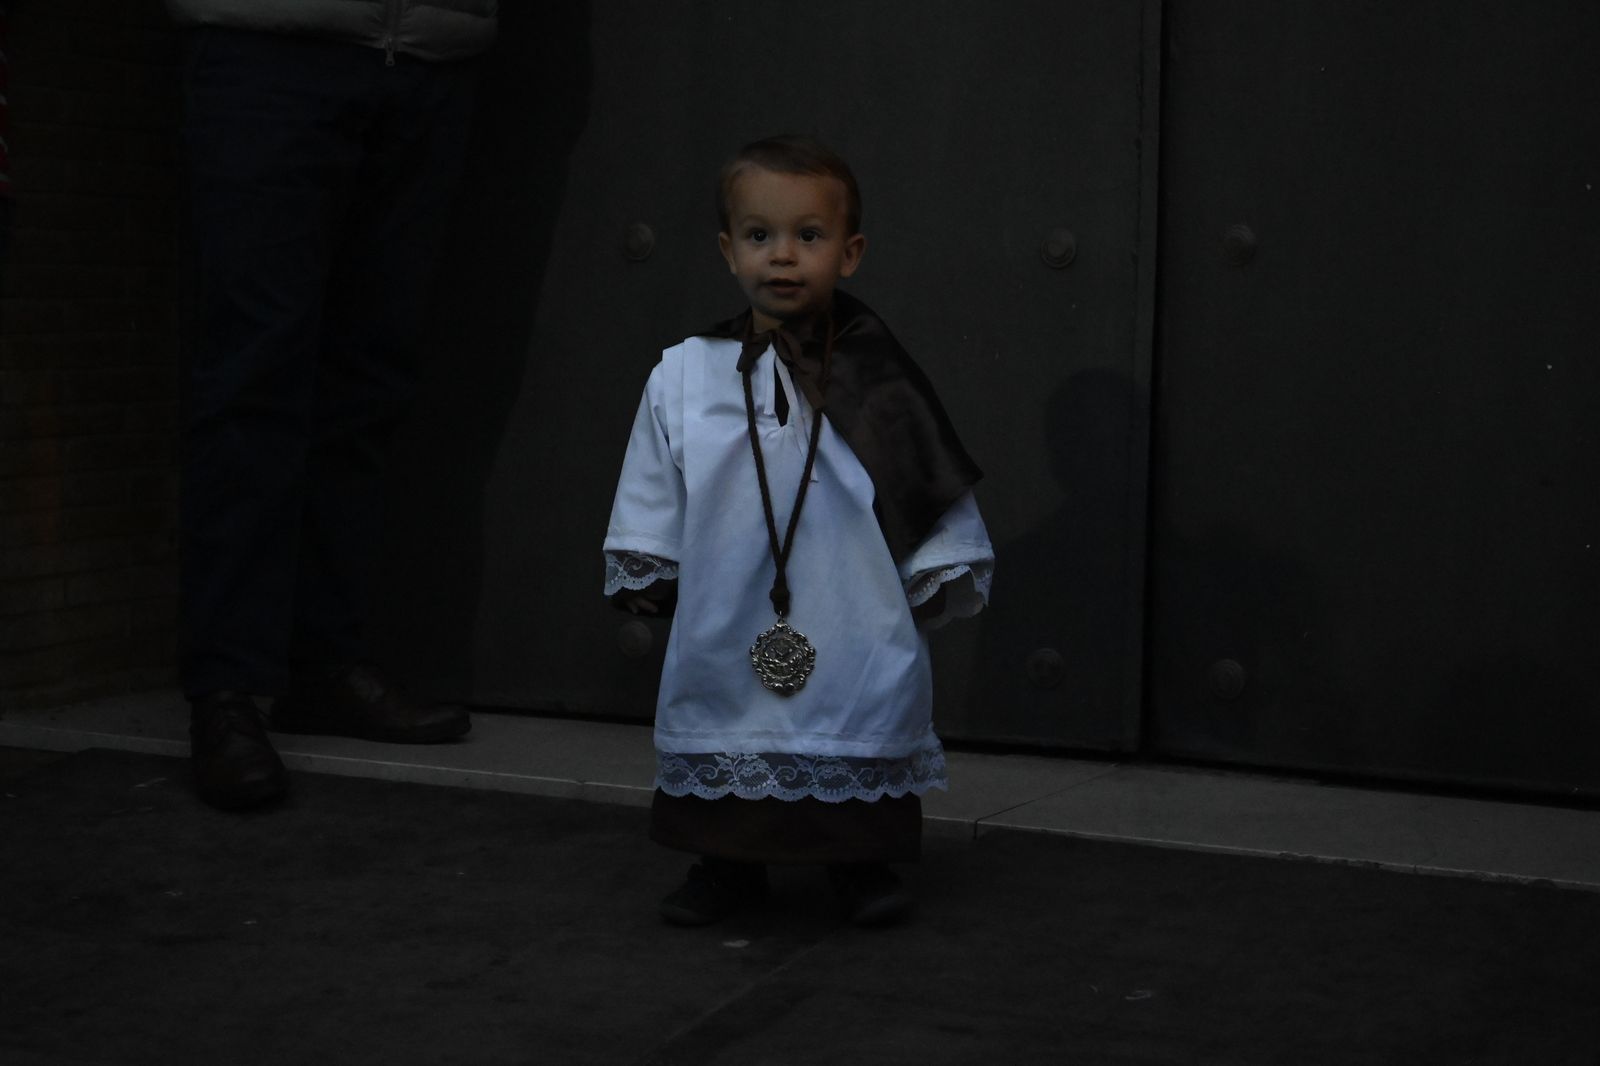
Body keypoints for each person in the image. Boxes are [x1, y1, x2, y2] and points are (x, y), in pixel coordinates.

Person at [603, 135, 994, 926]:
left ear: (849, 253)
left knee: (857, 703)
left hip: (852, 603)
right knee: (726, 710)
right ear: (728, 250)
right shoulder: (685, 373)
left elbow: (923, 477)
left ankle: (858, 865)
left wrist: (937, 567)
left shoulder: (879, 376)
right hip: (728, 605)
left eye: (808, 236)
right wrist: (649, 563)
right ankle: (726, 868)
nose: (782, 256)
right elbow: (653, 477)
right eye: (759, 235)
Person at [168, 1, 497, 809]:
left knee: (371, 378)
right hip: (267, 36)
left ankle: (325, 662)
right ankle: (226, 688)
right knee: (253, 372)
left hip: (433, 53)